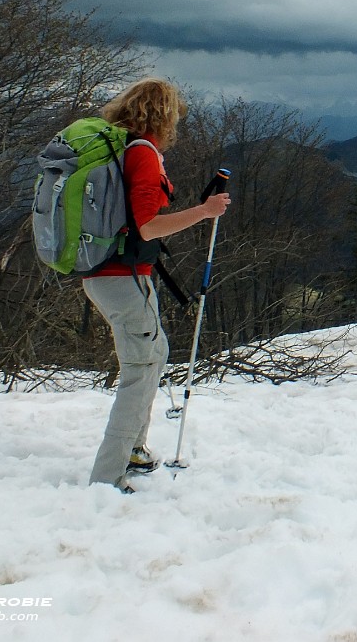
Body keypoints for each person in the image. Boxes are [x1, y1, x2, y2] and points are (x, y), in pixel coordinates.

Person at [83, 78, 230, 493]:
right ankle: (108, 475)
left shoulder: (119, 149)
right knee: (140, 369)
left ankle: (134, 448)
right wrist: (204, 211)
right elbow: (148, 227)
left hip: (109, 276)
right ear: (163, 116)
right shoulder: (142, 155)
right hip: (122, 279)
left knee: (155, 352)